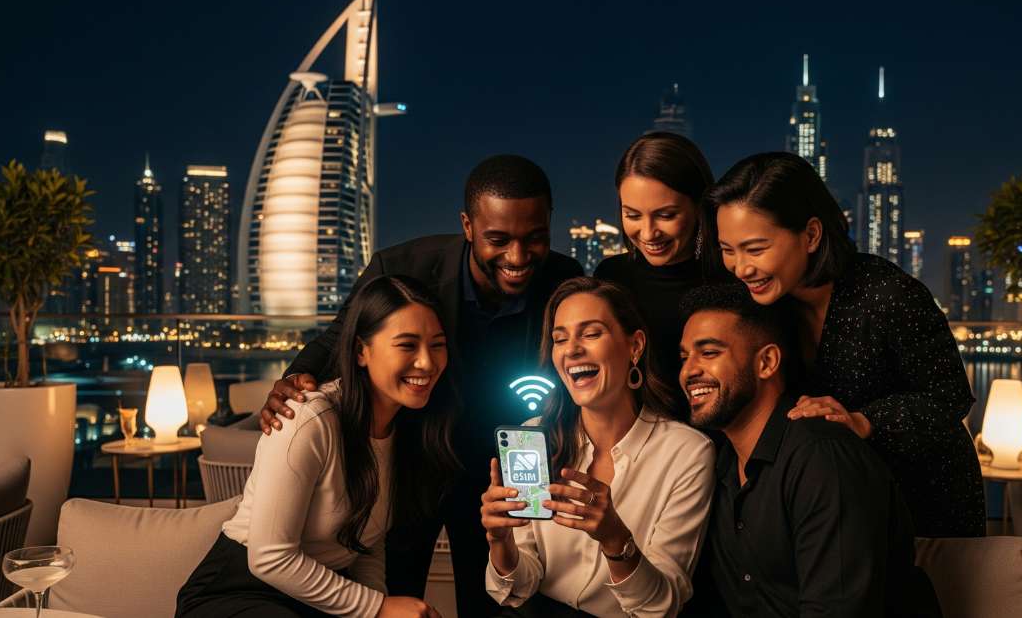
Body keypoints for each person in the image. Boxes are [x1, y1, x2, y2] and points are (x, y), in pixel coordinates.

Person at [260, 154, 584, 616]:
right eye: (498, 239)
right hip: (417, 455)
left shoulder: (565, 277)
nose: (517, 256)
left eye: (535, 238)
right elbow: (341, 339)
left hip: (513, 466)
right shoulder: (403, 265)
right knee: (398, 592)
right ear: (467, 226)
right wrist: (293, 378)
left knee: (508, 599)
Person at [705, 152, 984, 538]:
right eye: (728, 250)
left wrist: (864, 421)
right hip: (835, 507)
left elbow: (949, 397)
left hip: (923, 505)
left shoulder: (889, 294)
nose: (741, 267)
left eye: (755, 249)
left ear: (811, 235)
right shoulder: (761, 305)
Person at [176, 276, 455, 618]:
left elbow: (367, 545)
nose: (426, 363)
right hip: (240, 592)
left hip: (318, 594)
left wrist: (377, 608)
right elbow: (269, 557)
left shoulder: (409, 431)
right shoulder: (309, 419)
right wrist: (378, 607)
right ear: (360, 351)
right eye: (407, 345)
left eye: (437, 345)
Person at [677, 283, 941, 617]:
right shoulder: (723, 467)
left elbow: (837, 609)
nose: (689, 370)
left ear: (767, 362)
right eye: (684, 357)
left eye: (710, 353)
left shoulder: (823, 458)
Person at [481, 277, 714, 618]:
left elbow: (660, 607)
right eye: (560, 339)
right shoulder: (534, 439)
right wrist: (501, 542)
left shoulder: (687, 453)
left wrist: (616, 540)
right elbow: (519, 587)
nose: (572, 349)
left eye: (590, 334)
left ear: (634, 346)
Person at [594, 132, 727, 397]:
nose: (647, 233)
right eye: (632, 215)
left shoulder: (729, 278)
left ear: (699, 207)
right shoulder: (611, 277)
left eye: (665, 215)